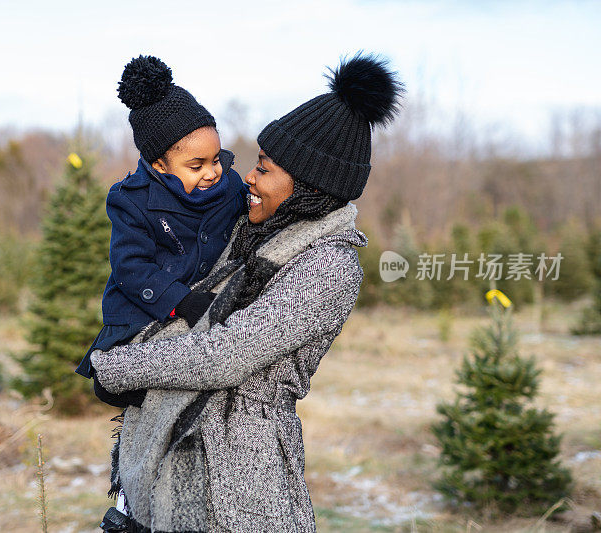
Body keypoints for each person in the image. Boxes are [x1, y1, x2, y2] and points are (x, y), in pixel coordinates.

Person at [90, 52, 403, 532]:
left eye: (265, 167)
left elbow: (226, 354)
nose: (247, 178)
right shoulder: (249, 228)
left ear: (308, 187)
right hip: (168, 453)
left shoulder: (328, 265)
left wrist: (116, 367)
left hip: (241, 477)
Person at [75, 54, 248, 409]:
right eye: (196, 165)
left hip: (203, 292)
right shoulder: (132, 199)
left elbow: (253, 213)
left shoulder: (229, 185)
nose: (212, 172)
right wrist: (178, 300)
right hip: (147, 295)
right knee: (126, 356)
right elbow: (130, 265)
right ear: (159, 165)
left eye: (216, 159)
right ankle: (117, 376)